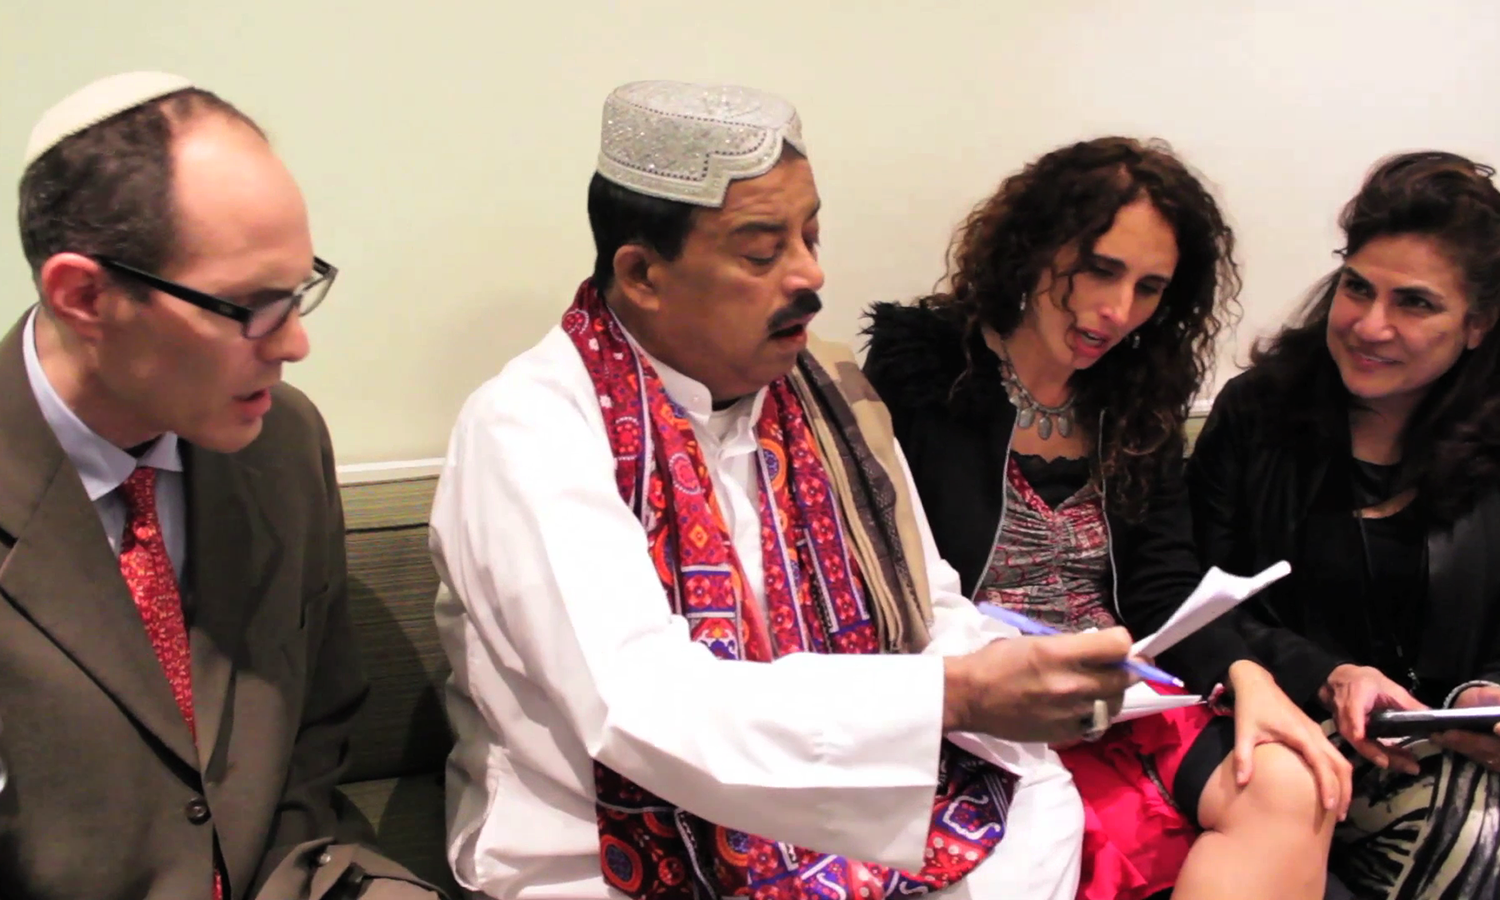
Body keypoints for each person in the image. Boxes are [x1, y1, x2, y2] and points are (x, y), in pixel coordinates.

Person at [429, 80, 1149, 900]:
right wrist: (957, 695)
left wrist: (1019, 672)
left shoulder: (831, 397)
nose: (812, 275)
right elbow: (643, 709)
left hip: (847, 806)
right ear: (643, 274)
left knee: (1040, 801)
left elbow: (932, 610)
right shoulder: (529, 428)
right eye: (762, 251)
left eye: (810, 234)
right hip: (602, 850)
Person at [861, 137, 1352, 900]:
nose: (1118, 312)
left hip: (1122, 692)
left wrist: (1246, 675)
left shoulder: (1132, 400)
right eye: (1099, 269)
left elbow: (1162, 582)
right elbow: (894, 581)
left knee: (1291, 783)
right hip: (983, 701)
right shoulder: (925, 373)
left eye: (1150, 287)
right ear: (1033, 248)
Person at [0, 72, 441, 899]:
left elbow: (306, 774)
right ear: (84, 295)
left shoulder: (281, 445)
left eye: (300, 288)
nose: (297, 344)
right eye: (251, 306)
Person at [1188, 150, 1500, 898]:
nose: (1369, 324)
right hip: (1293, 731)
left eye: (1415, 303)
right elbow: (1196, 601)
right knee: (1470, 846)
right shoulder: (1258, 415)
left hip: (1459, 749)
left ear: (1478, 325)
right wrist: (1328, 675)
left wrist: (1487, 693)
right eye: (1357, 287)